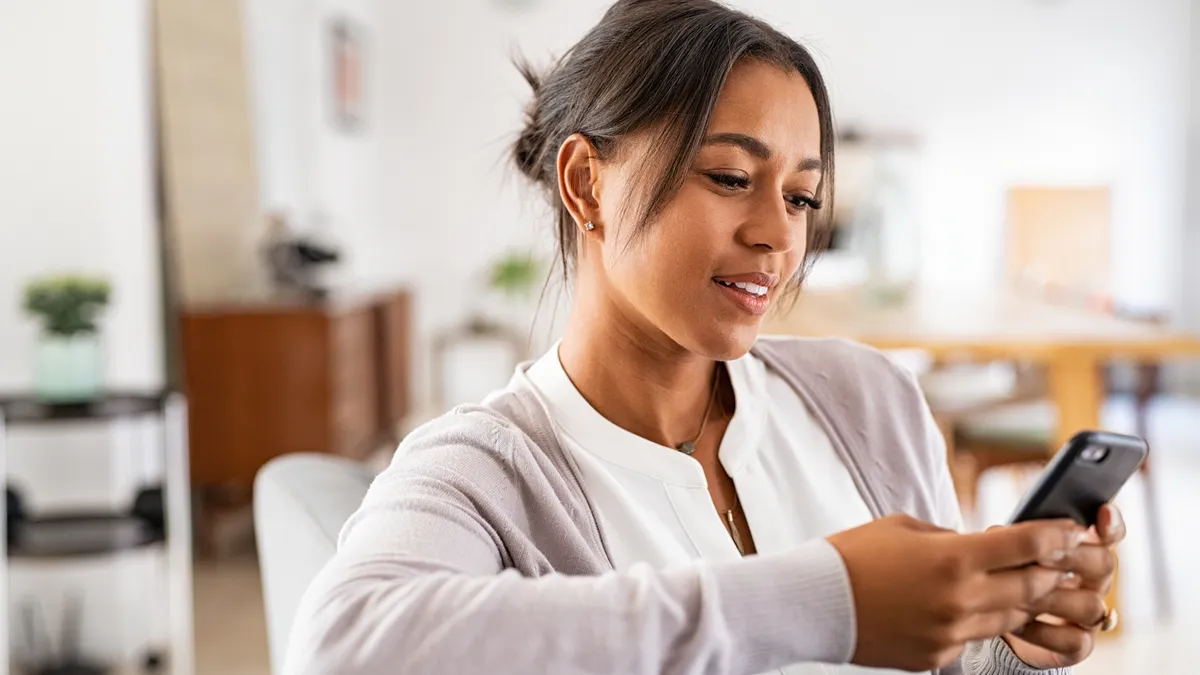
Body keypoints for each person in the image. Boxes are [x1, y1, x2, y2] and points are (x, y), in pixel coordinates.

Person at [286, 1, 1125, 673]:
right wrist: (831, 601)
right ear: (586, 183)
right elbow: (341, 648)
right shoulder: (486, 470)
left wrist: (1006, 644)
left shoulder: (871, 399)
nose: (778, 235)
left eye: (800, 197)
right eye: (730, 177)